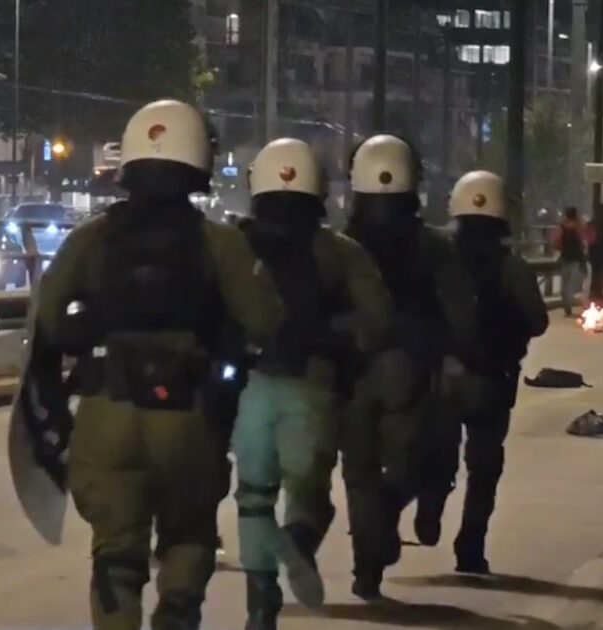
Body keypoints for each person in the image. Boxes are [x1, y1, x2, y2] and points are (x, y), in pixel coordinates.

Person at [32, 99, 282, 629]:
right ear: (198, 161)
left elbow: (46, 321)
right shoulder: (222, 243)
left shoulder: (89, 238)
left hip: (107, 414)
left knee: (116, 553)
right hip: (188, 421)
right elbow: (266, 321)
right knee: (188, 537)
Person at [231, 138, 392, 627]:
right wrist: (342, 342)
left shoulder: (233, 246)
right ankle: (298, 542)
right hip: (311, 387)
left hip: (250, 389)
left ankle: (261, 604)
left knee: (254, 499)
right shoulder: (341, 252)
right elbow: (378, 320)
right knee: (309, 497)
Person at [341, 134, 479, 599]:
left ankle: (366, 565)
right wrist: (453, 350)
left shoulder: (340, 243)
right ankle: (382, 525)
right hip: (410, 374)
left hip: (351, 372)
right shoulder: (435, 246)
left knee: (358, 470)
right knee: (410, 464)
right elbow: (462, 314)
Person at [437, 171, 549, 573]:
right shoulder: (513, 266)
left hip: (444, 377)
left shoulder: (439, 259)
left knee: (434, 455)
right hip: (492, 379)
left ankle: (428, 509)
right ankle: (470, 547)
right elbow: (538, 321)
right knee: (483, 470)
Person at [551, 206, 590, 316]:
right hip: (577, 259)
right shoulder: (580, 226)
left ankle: (566, 306)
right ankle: (579, 302)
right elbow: (585, 241)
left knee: (565, 283)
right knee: (578, 283)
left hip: (565, 258)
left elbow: (555, 243)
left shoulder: (561, 227)